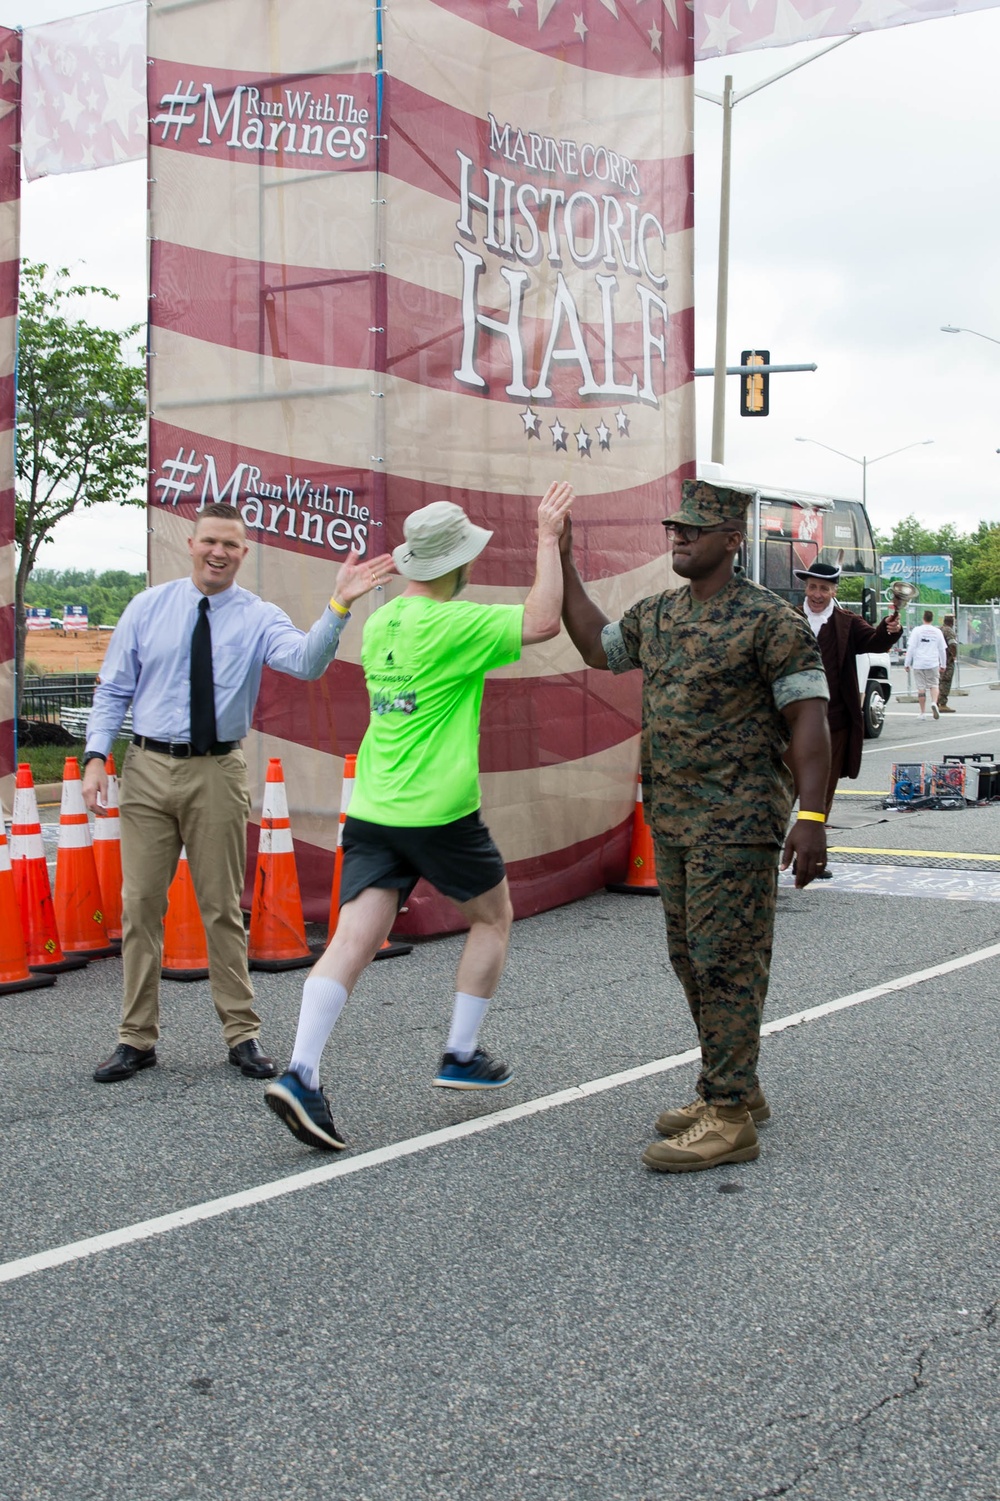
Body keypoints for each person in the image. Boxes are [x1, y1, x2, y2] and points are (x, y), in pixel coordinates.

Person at [265, 482, 575, 1151]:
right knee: (493, 917)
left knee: (352, 940)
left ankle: (300, 1071)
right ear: (459, 563)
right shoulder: (456, 624)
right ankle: (460, 1052)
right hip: (440, 812)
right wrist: (547, 538)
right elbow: (544, 620)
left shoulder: (381, 623)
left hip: (376, 806)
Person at [557, 479, 831, 1174]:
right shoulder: (660, 614)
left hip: (737, 822)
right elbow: (596, 645)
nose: (678, 538)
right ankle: (729, 1084)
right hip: (674, 821)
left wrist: (813, 816)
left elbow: (809, 722)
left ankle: (731, 1114)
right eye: (674, 528)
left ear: (732, 540)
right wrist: (561, 560)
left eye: (694, 530)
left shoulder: (770, 621)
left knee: (726, 962)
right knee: (691, 958)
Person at [83, 502, 395, 1084]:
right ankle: (135, 1038)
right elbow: (114, 690)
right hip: (147, 767)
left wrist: (340, 604)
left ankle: (242, 1035)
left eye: (230, 545)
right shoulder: (147, 608)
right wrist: (97, 756)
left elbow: (305, 663)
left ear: (243, 553)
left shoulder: (257, 616)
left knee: (222, 907)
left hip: (216, 770)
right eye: (209, 542)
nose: (218, 553)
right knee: (139, 907)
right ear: (192, 543)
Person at [794, 560, 902, 829]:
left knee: (823, 787)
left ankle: (812, 850)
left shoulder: (846, 622)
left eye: (823, 588)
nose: (816, 594)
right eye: (812, 587)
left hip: (835, 720)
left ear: (834, 591)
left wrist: (889, 630)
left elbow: (874, 641)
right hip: (791, 720)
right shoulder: (788, 617)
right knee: (785, 785)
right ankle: (771, 851)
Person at [904, 609, 947, 719]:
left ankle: (922, 712)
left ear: (923, 618)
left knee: (921, 688)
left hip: (919, 663)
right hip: (932, 662)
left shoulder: (917, 631)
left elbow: (911, 648)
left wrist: (907, 663)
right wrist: (943, 664)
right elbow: (942, 649)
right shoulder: (937, 632)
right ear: (932, 619)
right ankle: (934, 702)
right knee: (934, 684)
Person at [939, 614, 958, 711]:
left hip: (938, 659)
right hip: (947, 660)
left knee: (939, 681)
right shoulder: (949, 631)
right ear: (952, 621)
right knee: (946, 681)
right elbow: (952, 644)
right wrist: (954, 655)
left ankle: (937, 701)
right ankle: (942, 703)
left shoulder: (939, 629)